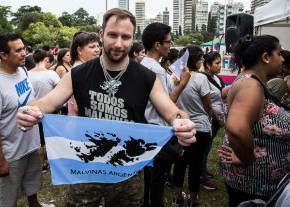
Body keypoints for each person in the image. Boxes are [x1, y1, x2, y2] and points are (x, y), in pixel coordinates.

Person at [17, 8, 196, 206]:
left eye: (126, 37)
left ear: (132, 38)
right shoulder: (79, 74)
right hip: (86, 166)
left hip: (128, 169)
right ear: (102, 35)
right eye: (112, 35)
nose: (119, 44)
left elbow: (172, 112)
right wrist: (29, 110)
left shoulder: (146, 77)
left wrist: (183, 122)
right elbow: (44, 104)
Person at [218, 35, 290, 207]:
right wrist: (248, 158)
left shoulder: (251, 81)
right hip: (254, 185)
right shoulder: (251, 86)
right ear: (266, 57)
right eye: (279, 53)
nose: (282, 59)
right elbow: (236, 128)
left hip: (258, 184)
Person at [0, 33, 50, 207]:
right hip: (11, 152)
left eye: (24, 49)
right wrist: (0, 160)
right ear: (3, 55)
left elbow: (30, 100)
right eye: (18, 50)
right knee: (8, 197)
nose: (24, 53)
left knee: (32, 185)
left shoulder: (22, 71)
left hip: (30, 145)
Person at [140, 22, 190, 207]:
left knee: (150, 179)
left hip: (147, 130)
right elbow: (166, 103)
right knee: (156, 182)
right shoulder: (156, 71)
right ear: (157, 44)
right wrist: (182, 84)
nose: (170, 45)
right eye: (168, 42)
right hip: (158, 132)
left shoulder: (146, 65)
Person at [171, 45, 212, 207]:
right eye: (201, 58)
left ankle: (176, 198)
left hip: (181, 125)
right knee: (196, 165)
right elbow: (208, 105)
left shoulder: (175, 77)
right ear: (195, 60)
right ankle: (193, 199)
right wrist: (209, 117)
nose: (202, 61)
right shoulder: (201, 78)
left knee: (180, 163)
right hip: (200, 127)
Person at [28, 49, 60, 172]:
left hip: (33, 110)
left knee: (39, 141)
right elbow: (59, 93)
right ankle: (51, 162)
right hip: (51, 111)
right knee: (52, 139)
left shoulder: (27, 74)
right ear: (46, 59)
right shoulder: (51, 74)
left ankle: (41, 165)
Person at [199, 51, 226, 190]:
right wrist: (218, 119)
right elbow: (207, 105)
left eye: (220, 62)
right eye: (217, 63)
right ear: (208, 65)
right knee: (204, 148)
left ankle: (202, 170)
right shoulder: (204, 79)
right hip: (211, 119)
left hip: (217, 119)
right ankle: (201, 176)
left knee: (207, 148)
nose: (220, 65)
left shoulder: (216, 78)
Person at [68, 31, 101, 116]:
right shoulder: (79, 71)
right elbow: (77, 107)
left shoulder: (86, 67)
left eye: (98, 46)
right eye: (92, 47)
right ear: (79, 50)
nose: (97, 50)